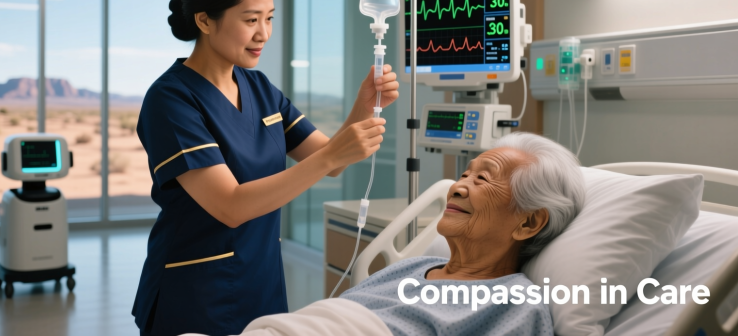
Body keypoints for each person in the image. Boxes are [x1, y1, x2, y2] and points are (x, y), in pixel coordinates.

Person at [131, 0, 399, 336]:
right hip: (196, 292)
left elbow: (331, 160)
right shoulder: (171, 99)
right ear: (205, 20)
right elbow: (230, 205)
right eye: (251, 19)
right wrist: (329, 159)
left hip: (262, 282)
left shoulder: (258, 87)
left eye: (269, 18)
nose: (264, 34)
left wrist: (363, 104)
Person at [235, 132, 585, 336]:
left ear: (528, 223)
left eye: (482, 179)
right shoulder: (411, 266)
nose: (458, 187)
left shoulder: (516, 304)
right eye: (465, 174)